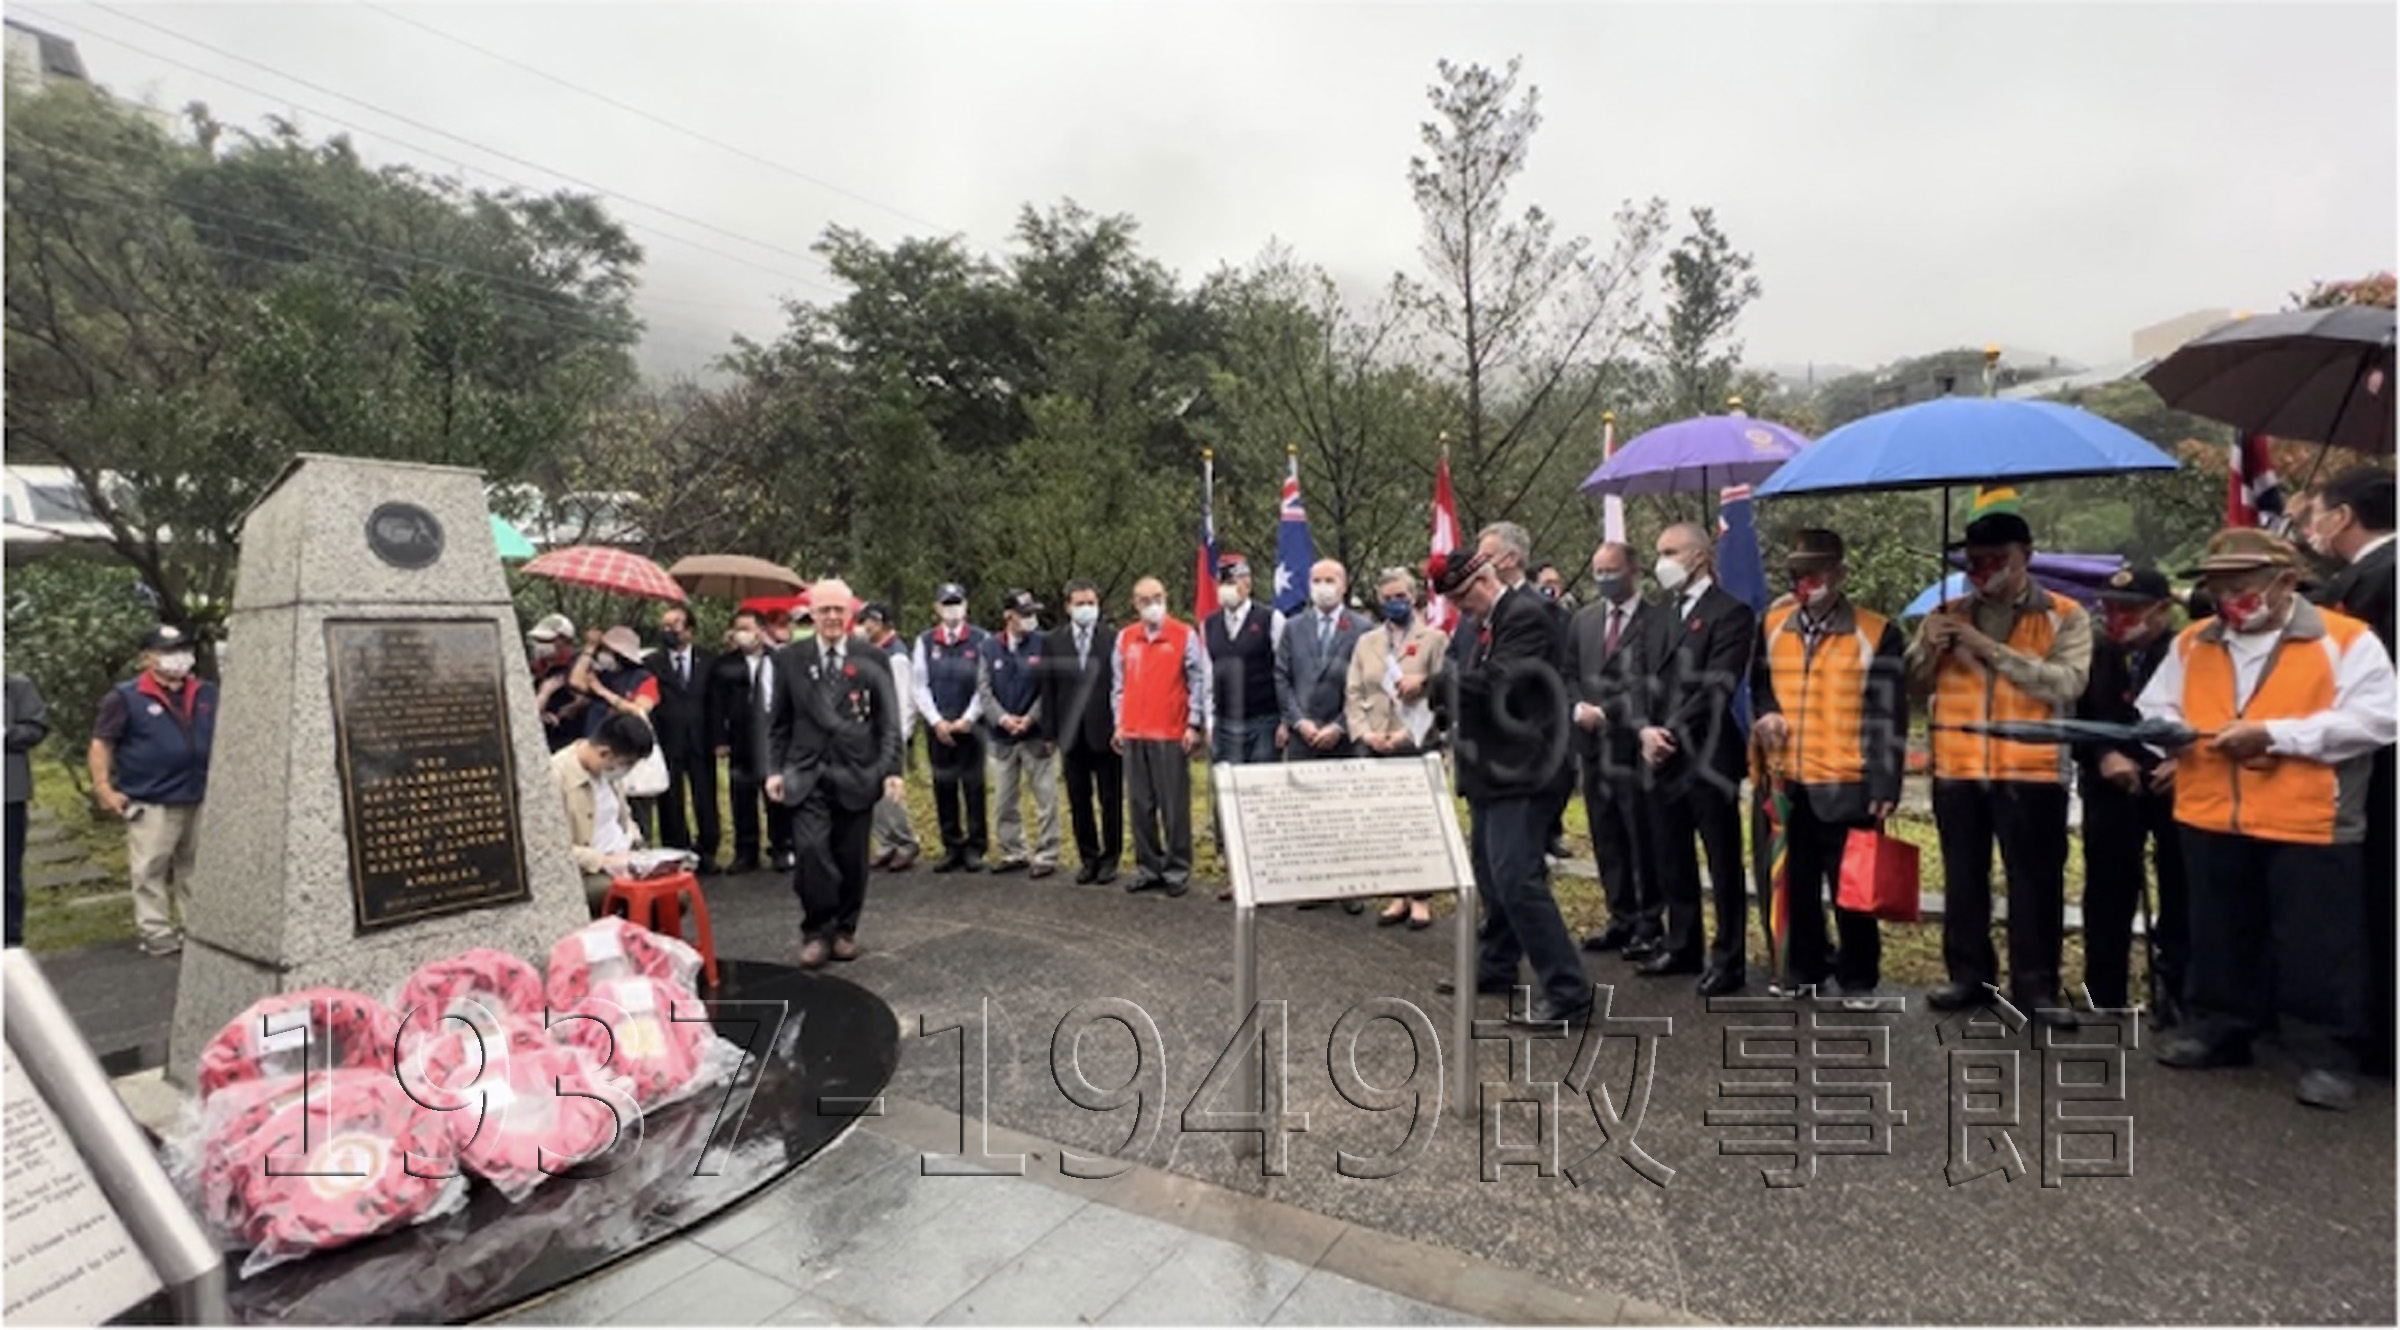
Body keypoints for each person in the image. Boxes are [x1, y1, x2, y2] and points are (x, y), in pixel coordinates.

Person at [2140, 529, 2397, 1111]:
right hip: (2210, 810)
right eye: (2218, 586)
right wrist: (2165, 736)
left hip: (2307, 815)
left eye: (2244, 585)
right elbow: (2157, 705)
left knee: (2318, 943)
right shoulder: (2192, 642)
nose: (2231, 597)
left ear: (2286, 581)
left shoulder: (2345, 640)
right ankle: (2220, 1029)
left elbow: (2380, 720)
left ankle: (2327, 1054)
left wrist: (2279, 737)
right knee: (2219, 929)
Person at [1906, 512, 2092, 1023]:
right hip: (1958, 767)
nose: (1983, 571)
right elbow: (1913, 687)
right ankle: (1968, 976)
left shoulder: (2064, 615)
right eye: (1975, 562)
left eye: (1996, 560)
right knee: (1964, 878)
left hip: (2030, 770)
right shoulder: (1948, 612)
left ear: (2025, 557)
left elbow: (2066, 683)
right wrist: (1927, 647)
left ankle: (2036, 988)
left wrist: (1988, 649)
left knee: (2034, 882)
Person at [1428, 535, 1592, 1025]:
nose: (1461, 610)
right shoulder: (1487, 622)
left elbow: (1502, 683)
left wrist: (1436, 684)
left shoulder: (1526, 615)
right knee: (1493, 875)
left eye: (1463, 599)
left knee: (1518, 878)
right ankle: (1497, 964)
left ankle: (1567, 988)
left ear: (1484, 579)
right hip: (1491, 771)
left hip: (1526, 770)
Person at [1750, 530, 1906, 1008]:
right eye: (1797, 575)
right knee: (1793, 883)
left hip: (1848, 777)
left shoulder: (1877, 632)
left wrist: (1885, 780)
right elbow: (1758, 686)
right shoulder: (1772, 624)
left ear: (1840, 574)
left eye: (1815, 574)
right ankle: (1804, 969)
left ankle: (1859, 980)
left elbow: (1888, 713)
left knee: (1853, 890)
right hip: (1785, 777)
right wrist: (1766, 713)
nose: (1805, 584)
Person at [1629, 522, 1758, 996]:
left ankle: (1729, 958)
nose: (1661, 560)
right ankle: (1683, 944)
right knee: (1670, 853)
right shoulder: (1657, 616)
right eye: (1659, 550)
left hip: (1706, 753)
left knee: (1722, 858)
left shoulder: (1732, 613)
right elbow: (1640, 679)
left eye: (1670, 551)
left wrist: (1670, 731)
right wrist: (1644, 728)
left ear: (1700, 556)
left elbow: (1718, 683)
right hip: (1658, 754)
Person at [2303, 465, 2395, 1075]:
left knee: (2373, 896)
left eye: (2316, 512)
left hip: (2377, 762)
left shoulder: (2376, 579)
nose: (2310, 525)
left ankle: (2370, 1033)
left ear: (2342, 516)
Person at [766, 581, 905, 968]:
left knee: (851, 857)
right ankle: (816, 929)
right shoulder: (789, 659)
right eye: (823, 610)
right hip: (805, 772)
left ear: (850, 616)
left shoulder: (872, 658)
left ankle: (845, 930)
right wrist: (774, 770)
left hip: (857, 772)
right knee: (811, 851)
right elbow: (777, 722)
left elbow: (887, 720)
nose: (830, 617)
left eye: (837, 611)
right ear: (811, 614)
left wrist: (892, 769)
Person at [2072, 567, 2189, 1023]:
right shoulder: (2097, 650)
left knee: (2181, 889)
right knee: (2107, 888)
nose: (2119, 617)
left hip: (2175, 783)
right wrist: (2103, 754)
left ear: (2162, 610)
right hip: (2111, 781)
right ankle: (2104, 994)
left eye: (2131, 609)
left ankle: (2177, 993)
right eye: (2111, 608)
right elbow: (2076, 714)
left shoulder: (2187, 650)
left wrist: (2184, 759)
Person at [89, 625, 217, 957]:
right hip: (152, 799)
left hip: (201, 795)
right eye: (167, 651)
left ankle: (200, 931)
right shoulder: (126, 697)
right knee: (150, 870)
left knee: (198, 867)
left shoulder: (206, 693)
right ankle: (157, 933)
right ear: (147, 658)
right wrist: (104, 788)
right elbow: (102, 743)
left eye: (182, 649)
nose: (178, 657)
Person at [1567, 541, 1661, 956]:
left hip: (1632, 746)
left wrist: (1608, 711)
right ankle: (1620, 916)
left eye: (1612, 570)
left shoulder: (1656, 620)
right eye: (1598, 571)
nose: (1604, 579)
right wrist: (1577, 706)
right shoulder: (1584, 620)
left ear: (1633, 569)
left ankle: (1649, 921)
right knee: (1605, 835)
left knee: (1640, 835)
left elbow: (1653, 680)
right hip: (1592, 748)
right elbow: (1568, 671)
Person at [1346, 567, 1450, 928]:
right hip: (1377, 740)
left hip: (1417, 740)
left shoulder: (1433, 639)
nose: (1394, 603)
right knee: (1387, 822)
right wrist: (1364, 733)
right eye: (1388, 597)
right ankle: (1397, 894)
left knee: (1420, 822)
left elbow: (1444, 695)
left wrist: (1406, 734)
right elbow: (1354, 692)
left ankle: (1421, 897)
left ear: (1415, 596)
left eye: (1401, 596)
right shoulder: (1367, 642)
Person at [1114, 577, 1209, 897]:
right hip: (1134, 731)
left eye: (1157, 597)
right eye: (1144, 599)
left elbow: (1198, 681)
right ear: (1134, 603)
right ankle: (1147, 867)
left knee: (1173, 806)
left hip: (1170, 732)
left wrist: (1194, 724)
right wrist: (1119, 724)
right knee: (1140, 805)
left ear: (1165, 597)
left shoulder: (1184, 635)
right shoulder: (1126, 638)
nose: (1152, 604)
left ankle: (1177, 869)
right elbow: (1118, 686)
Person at [1045, 580, 1122, 885]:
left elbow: (1121, 686)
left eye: (1091, 603)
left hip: (1106, 732)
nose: (1086, 608)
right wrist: (1050, 733)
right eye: (1080, 603)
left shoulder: (1113, 639)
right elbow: (1048, 688)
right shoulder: (1054, 642)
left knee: (1111, 798)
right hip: (1071, 734)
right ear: (1068, 607)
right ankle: (1088, 857)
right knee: (1079, 799)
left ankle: (1111, 857)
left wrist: (1121, 726)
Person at [915, 583, 993, 874]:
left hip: (971, 725)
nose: (952, 608)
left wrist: (968, 718)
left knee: (974, 786)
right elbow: (918, 685)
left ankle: (975, 846)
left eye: (956, 602)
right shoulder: (925, 642)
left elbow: (984, 684)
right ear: (936, 608)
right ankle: (952, 845)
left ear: (966, 605)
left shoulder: (981, 639)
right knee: (943, 785)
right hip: (939, 727)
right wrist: (936, 721)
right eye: (946, 604)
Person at [982, 590, 1060, 878]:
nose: (1030, 620)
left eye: (1032, 614)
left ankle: (1047, 853)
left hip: (1035, 734)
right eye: (1024, 614)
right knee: (1004, 800)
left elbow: (1047, 689)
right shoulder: (989, 647)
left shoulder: (1044, 643)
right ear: (1008, 616)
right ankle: (1013, 850)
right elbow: (984, 689)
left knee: (1046, 799)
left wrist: (1029, 719)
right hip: (1002, 736)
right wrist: (1003, 719)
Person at [710, 611, 791, 875]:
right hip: (740, 736)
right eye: (737, 629)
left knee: (776, 792)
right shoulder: (725, 665)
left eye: (747, 628)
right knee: (741, 793)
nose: (742, 633)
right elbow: (715, 705)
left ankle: (782, 846)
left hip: (773, 735)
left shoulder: (779, 659)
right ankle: (746, 850)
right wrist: (720, 739)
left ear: (761, 630)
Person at [550, 711, 654, 912]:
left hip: (625, 859)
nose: (626, 771)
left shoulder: (608, 774)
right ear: (604, 753)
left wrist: (637, 846)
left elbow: (625, 818)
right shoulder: (557, 775)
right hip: (587, 871)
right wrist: (602, 861)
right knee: (624, 894)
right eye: (627, 764)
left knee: (677, 895)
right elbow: (552, 847)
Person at [648, 605, 721, 874]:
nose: (670, 631)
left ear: (689, 629)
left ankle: (708, 849)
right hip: (669, 740)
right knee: (670, 799)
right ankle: (677, 850)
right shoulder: (654, 663)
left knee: (705, 796)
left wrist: (719, 739)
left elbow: (716, 704)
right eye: (665, 625)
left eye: (675, 625)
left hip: (701, 739)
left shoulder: (709, 660)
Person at [856, 604, 923, 873]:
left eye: (868, 622)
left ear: (880, 622)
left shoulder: (896, 656)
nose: (864, 627)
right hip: (869, 734)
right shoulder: (873, 653)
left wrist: (898, 737)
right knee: (872, 792)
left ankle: (906, 841)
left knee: (890, 792)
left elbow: (903, 700)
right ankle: (885, 842)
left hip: (888, 736)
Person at [6, 676, 50, 948]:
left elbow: (36, 728)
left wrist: (7, 734)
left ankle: (10, 940)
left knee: (7, 872)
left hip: (8, 795)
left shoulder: (15, 687)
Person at [527, 614, 585, 753]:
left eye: (547, 640)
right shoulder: (536, 667)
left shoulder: (579, 667)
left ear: (565, 641)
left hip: (566, 744)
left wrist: (577, 705)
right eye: (537, 640)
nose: (540, 645)